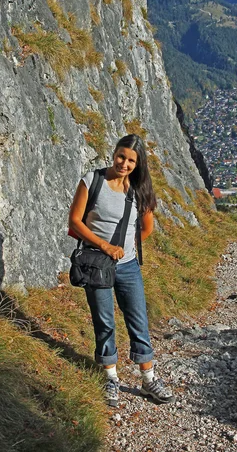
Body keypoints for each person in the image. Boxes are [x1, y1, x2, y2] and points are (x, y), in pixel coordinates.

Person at [69, 134, 175, 408]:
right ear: (113, 153)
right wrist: (105, 246)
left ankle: (148, 378)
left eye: (131, 160)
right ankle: (110, 378)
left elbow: (146, 229)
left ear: (138, 164)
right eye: (121, 156)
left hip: (128, 266)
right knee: (104, 322)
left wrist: (126, 249)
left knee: (138, 321)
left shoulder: (139, 190)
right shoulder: (92, 181)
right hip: (97, 264)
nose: (124, 163)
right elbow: (75, 221)